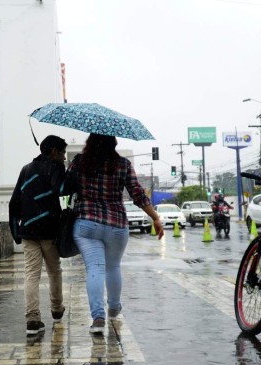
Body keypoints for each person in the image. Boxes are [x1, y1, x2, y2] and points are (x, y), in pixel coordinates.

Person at [62, 134, 164, 335]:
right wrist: (155, 218)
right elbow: (137, 194)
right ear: (113, 144)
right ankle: (114, 308)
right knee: (113, 267)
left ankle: (98, 318)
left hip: (86, 223)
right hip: (116, 224)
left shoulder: (80, 162)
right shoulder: (122, 164)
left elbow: (65, 187)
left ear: (89, 143)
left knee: (95, 268)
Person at [9, 135, 68, 336]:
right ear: (53, 151)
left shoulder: (26, 169)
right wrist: (71, 174)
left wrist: (16, 232)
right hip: (49, 231)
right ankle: (57, 309)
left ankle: (32, 320)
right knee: (54, 271)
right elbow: (61, 189)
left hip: (28, 231)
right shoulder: (55, 167)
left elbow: (13, 202)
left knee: (31, 274)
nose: (64, 158)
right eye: (63, 153)